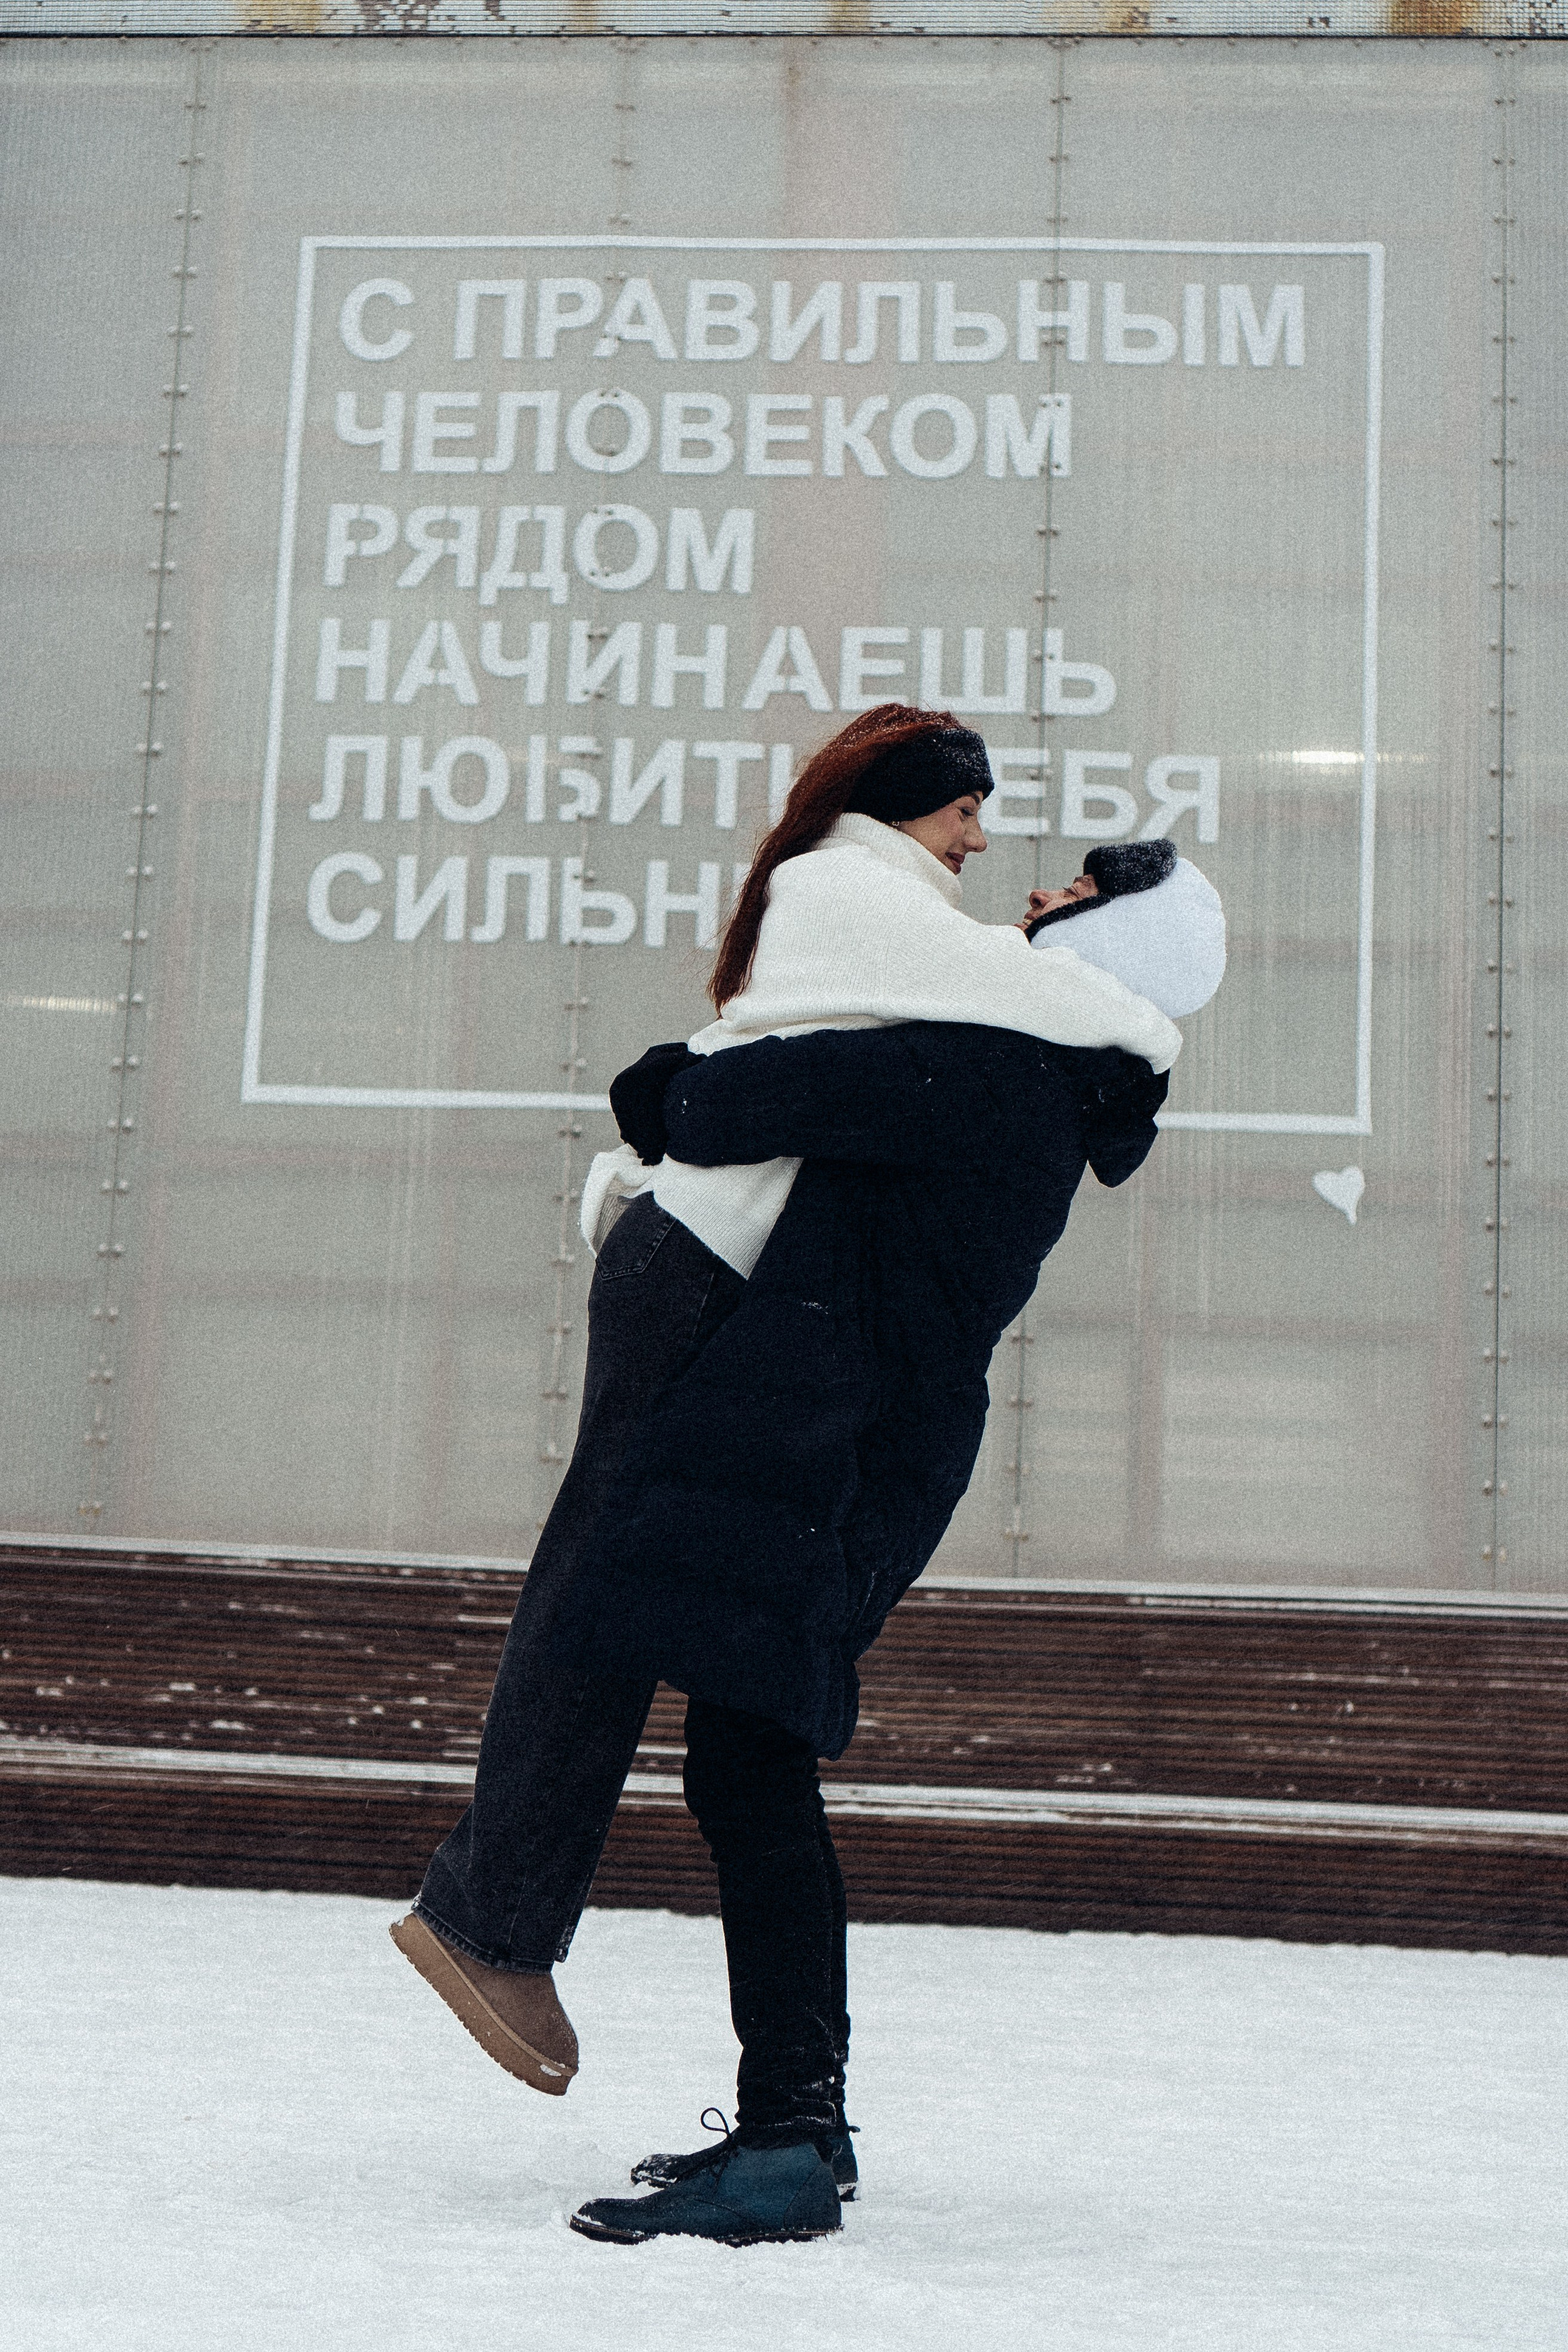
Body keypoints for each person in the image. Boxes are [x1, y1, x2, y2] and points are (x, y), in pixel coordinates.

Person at [389, 706, 1221, 2248]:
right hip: (855, 1443)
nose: (1028, 893)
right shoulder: (1036, 1077)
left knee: (750, 1767)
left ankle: (786, 2139)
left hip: (828, 1447)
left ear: (1102, 955)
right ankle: (797, 2127)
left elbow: (693, 1100)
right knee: (747, 1761)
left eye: (1068, 901)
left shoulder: (980, 1068)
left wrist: (679, 1080)